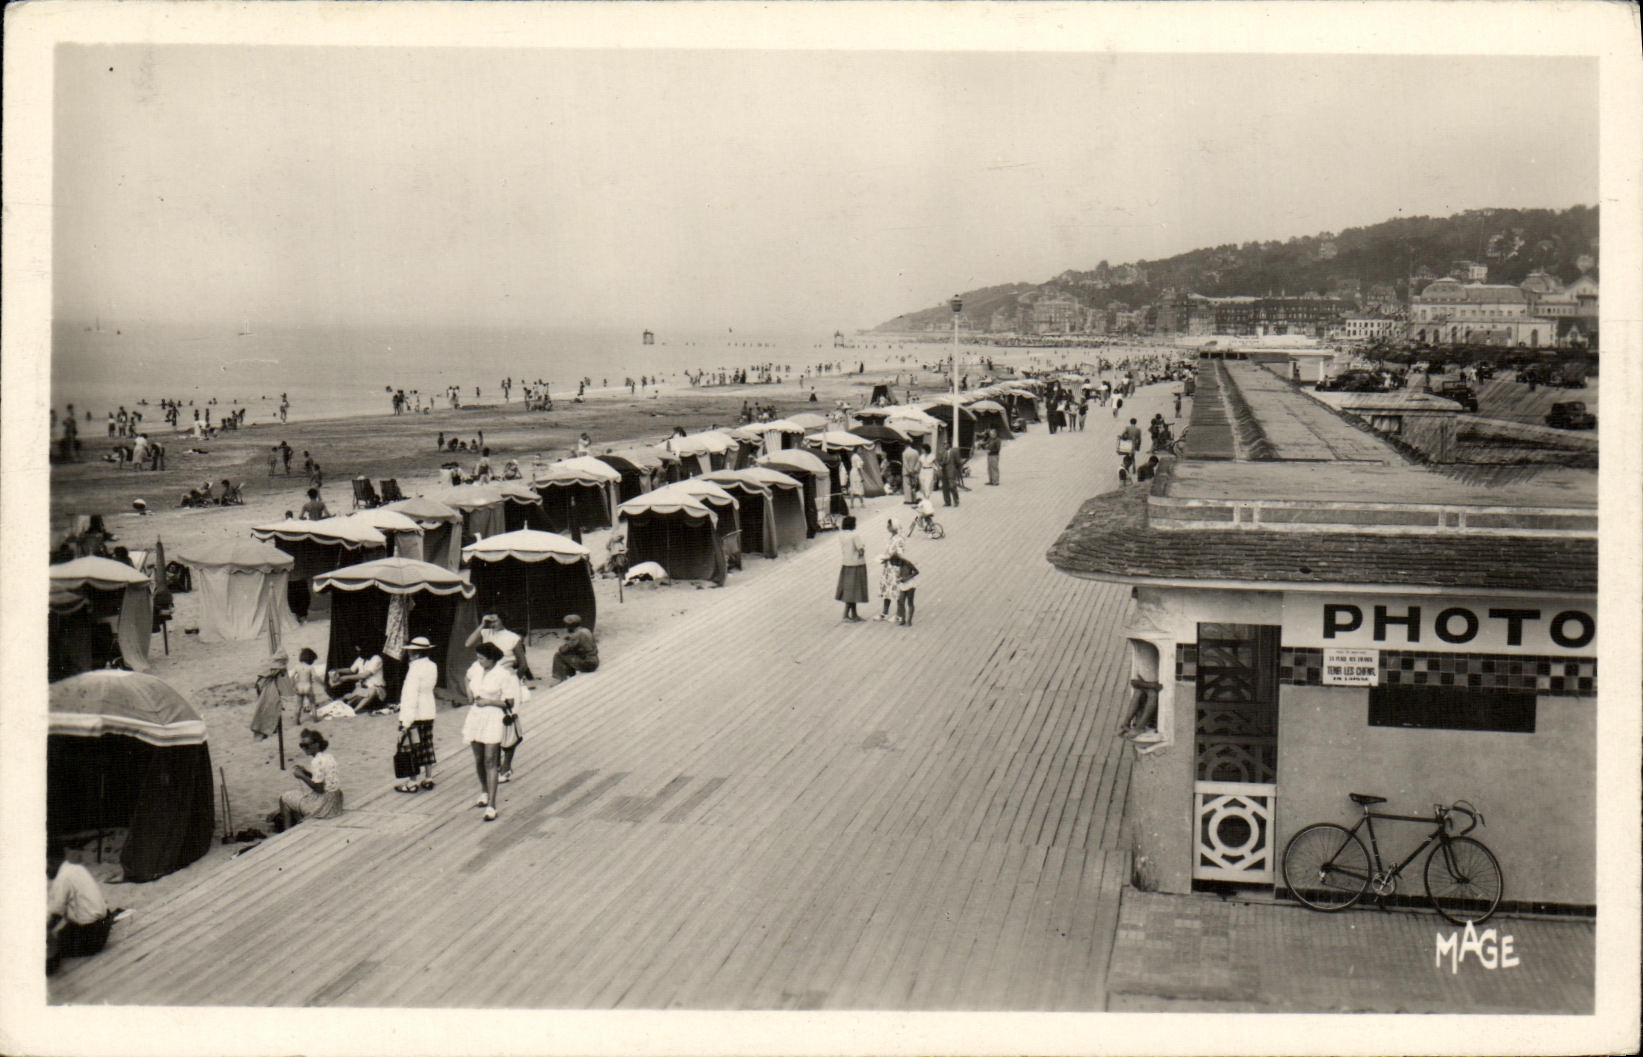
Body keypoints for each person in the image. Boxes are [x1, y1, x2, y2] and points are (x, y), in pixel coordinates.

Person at [463, 641, 521, 821]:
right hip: (475, 717)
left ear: (491, 659)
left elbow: (509, 702)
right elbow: (467, 678)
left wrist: (489, 702)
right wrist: (469, 694)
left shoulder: (503, 675)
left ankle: (492, 805)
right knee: (479, 758)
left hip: (493, 718)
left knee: (490, 760)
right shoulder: (476, 668)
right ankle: (484, 791)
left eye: (481, 658)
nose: (478, 661)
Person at [47, 845, 121, 975]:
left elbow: (56, 914)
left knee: (51, 948)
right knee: (62, 934)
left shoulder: (62, 878)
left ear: (51, 861)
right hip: (102, 928)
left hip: (90, 936)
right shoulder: (76, 868)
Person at [394, 637, 440, 793]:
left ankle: (412, 782)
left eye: (410, 652)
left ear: (415, 653)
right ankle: (428, 778)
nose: (408, 655)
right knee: (427, 743)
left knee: (411, 746)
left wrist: (406, 721)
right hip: (428, 709)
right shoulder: (432, 666)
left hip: (415, 713)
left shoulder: (414, 669)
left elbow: (411, 696)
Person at [278, 728, 344, 828]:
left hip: (323, 806)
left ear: (316, 745)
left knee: (284, 798)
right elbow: (322, 780)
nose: (304, 748)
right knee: (299, 798)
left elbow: (319, 789)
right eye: (302, 745)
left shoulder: (316, 761)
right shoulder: (328, 757)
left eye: (306, 745)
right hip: (335, 803)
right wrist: (306, 772)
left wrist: (301, 776)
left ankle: (287, 833)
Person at [466, 612, 533, 682]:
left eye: (495, 621)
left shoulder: (513, 637)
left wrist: (515, 681)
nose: (492, 625)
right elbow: (468, 643)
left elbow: (523, 665)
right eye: (489, 622)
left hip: (504, 676)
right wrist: (482, 624)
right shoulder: (486, 633)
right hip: (487, 675)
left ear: (502, 620)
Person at [250, 650, 294, 739]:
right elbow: (286, 686)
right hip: (266, 687)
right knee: (268, 706)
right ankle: (265, 730)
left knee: (266, 707)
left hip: (263, 686)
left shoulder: (270, 665)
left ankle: (268, 729)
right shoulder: (277, 666)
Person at [332, 647, 387, 714]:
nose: (358, 652)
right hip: (363, 689)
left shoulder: (376, 659)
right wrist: (337, 670)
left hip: (377, 689)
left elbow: (365, 675)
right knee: (350, 700)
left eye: (359, 650)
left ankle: (355, 711)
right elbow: (351, 670)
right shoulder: (360, 659)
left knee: (372, 691)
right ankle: (348, 707)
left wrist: (346, 678)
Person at [835, 515, 868, 622]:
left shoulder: (841, 535)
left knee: (850, 589)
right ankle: (845, 615)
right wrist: (863, 548)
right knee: (855, 590)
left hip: (846, 563)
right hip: (857, 564)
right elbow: (861, 549)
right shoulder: (855, 535)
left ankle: (854, 614)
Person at [874, 517, 908, 621]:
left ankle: (899, 614)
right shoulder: (893, 537)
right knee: (887, 589)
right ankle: (884, 612)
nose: (887, 527)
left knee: (896, 590)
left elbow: (899, 553)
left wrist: (888, 557)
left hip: (896, 567)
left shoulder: (899, 539)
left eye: (889, 525)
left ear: (893, 527)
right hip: (888, 567)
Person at [551, 614, 598, 683]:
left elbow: (563, 650)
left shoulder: (576, 635)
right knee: (571, 654)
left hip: (588, 665)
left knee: (558, 655)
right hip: (595, 661)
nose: (566, 628)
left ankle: (560, 679)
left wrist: (566, 642)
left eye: (567, 626)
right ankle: (570, 675)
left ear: (571, 626)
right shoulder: (586, 630)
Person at [886, 552, 920, 626]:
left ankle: (909, 620)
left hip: (910, 584)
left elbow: (916, 572)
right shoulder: (898, 566)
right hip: (902, 584)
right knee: (901, 602)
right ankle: (903, 619)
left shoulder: (907, 563)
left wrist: (907, 578)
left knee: (910, 602)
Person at [291, 647, 324, 724]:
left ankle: (297, 720)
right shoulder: (310, 667)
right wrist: (323, 684)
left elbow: (292, 676)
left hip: (299, 687)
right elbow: (316, 677)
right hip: (308, 687)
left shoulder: (297, 667)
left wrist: (293, 686)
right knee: (312, 704)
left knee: (298, 705)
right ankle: (315, 719)